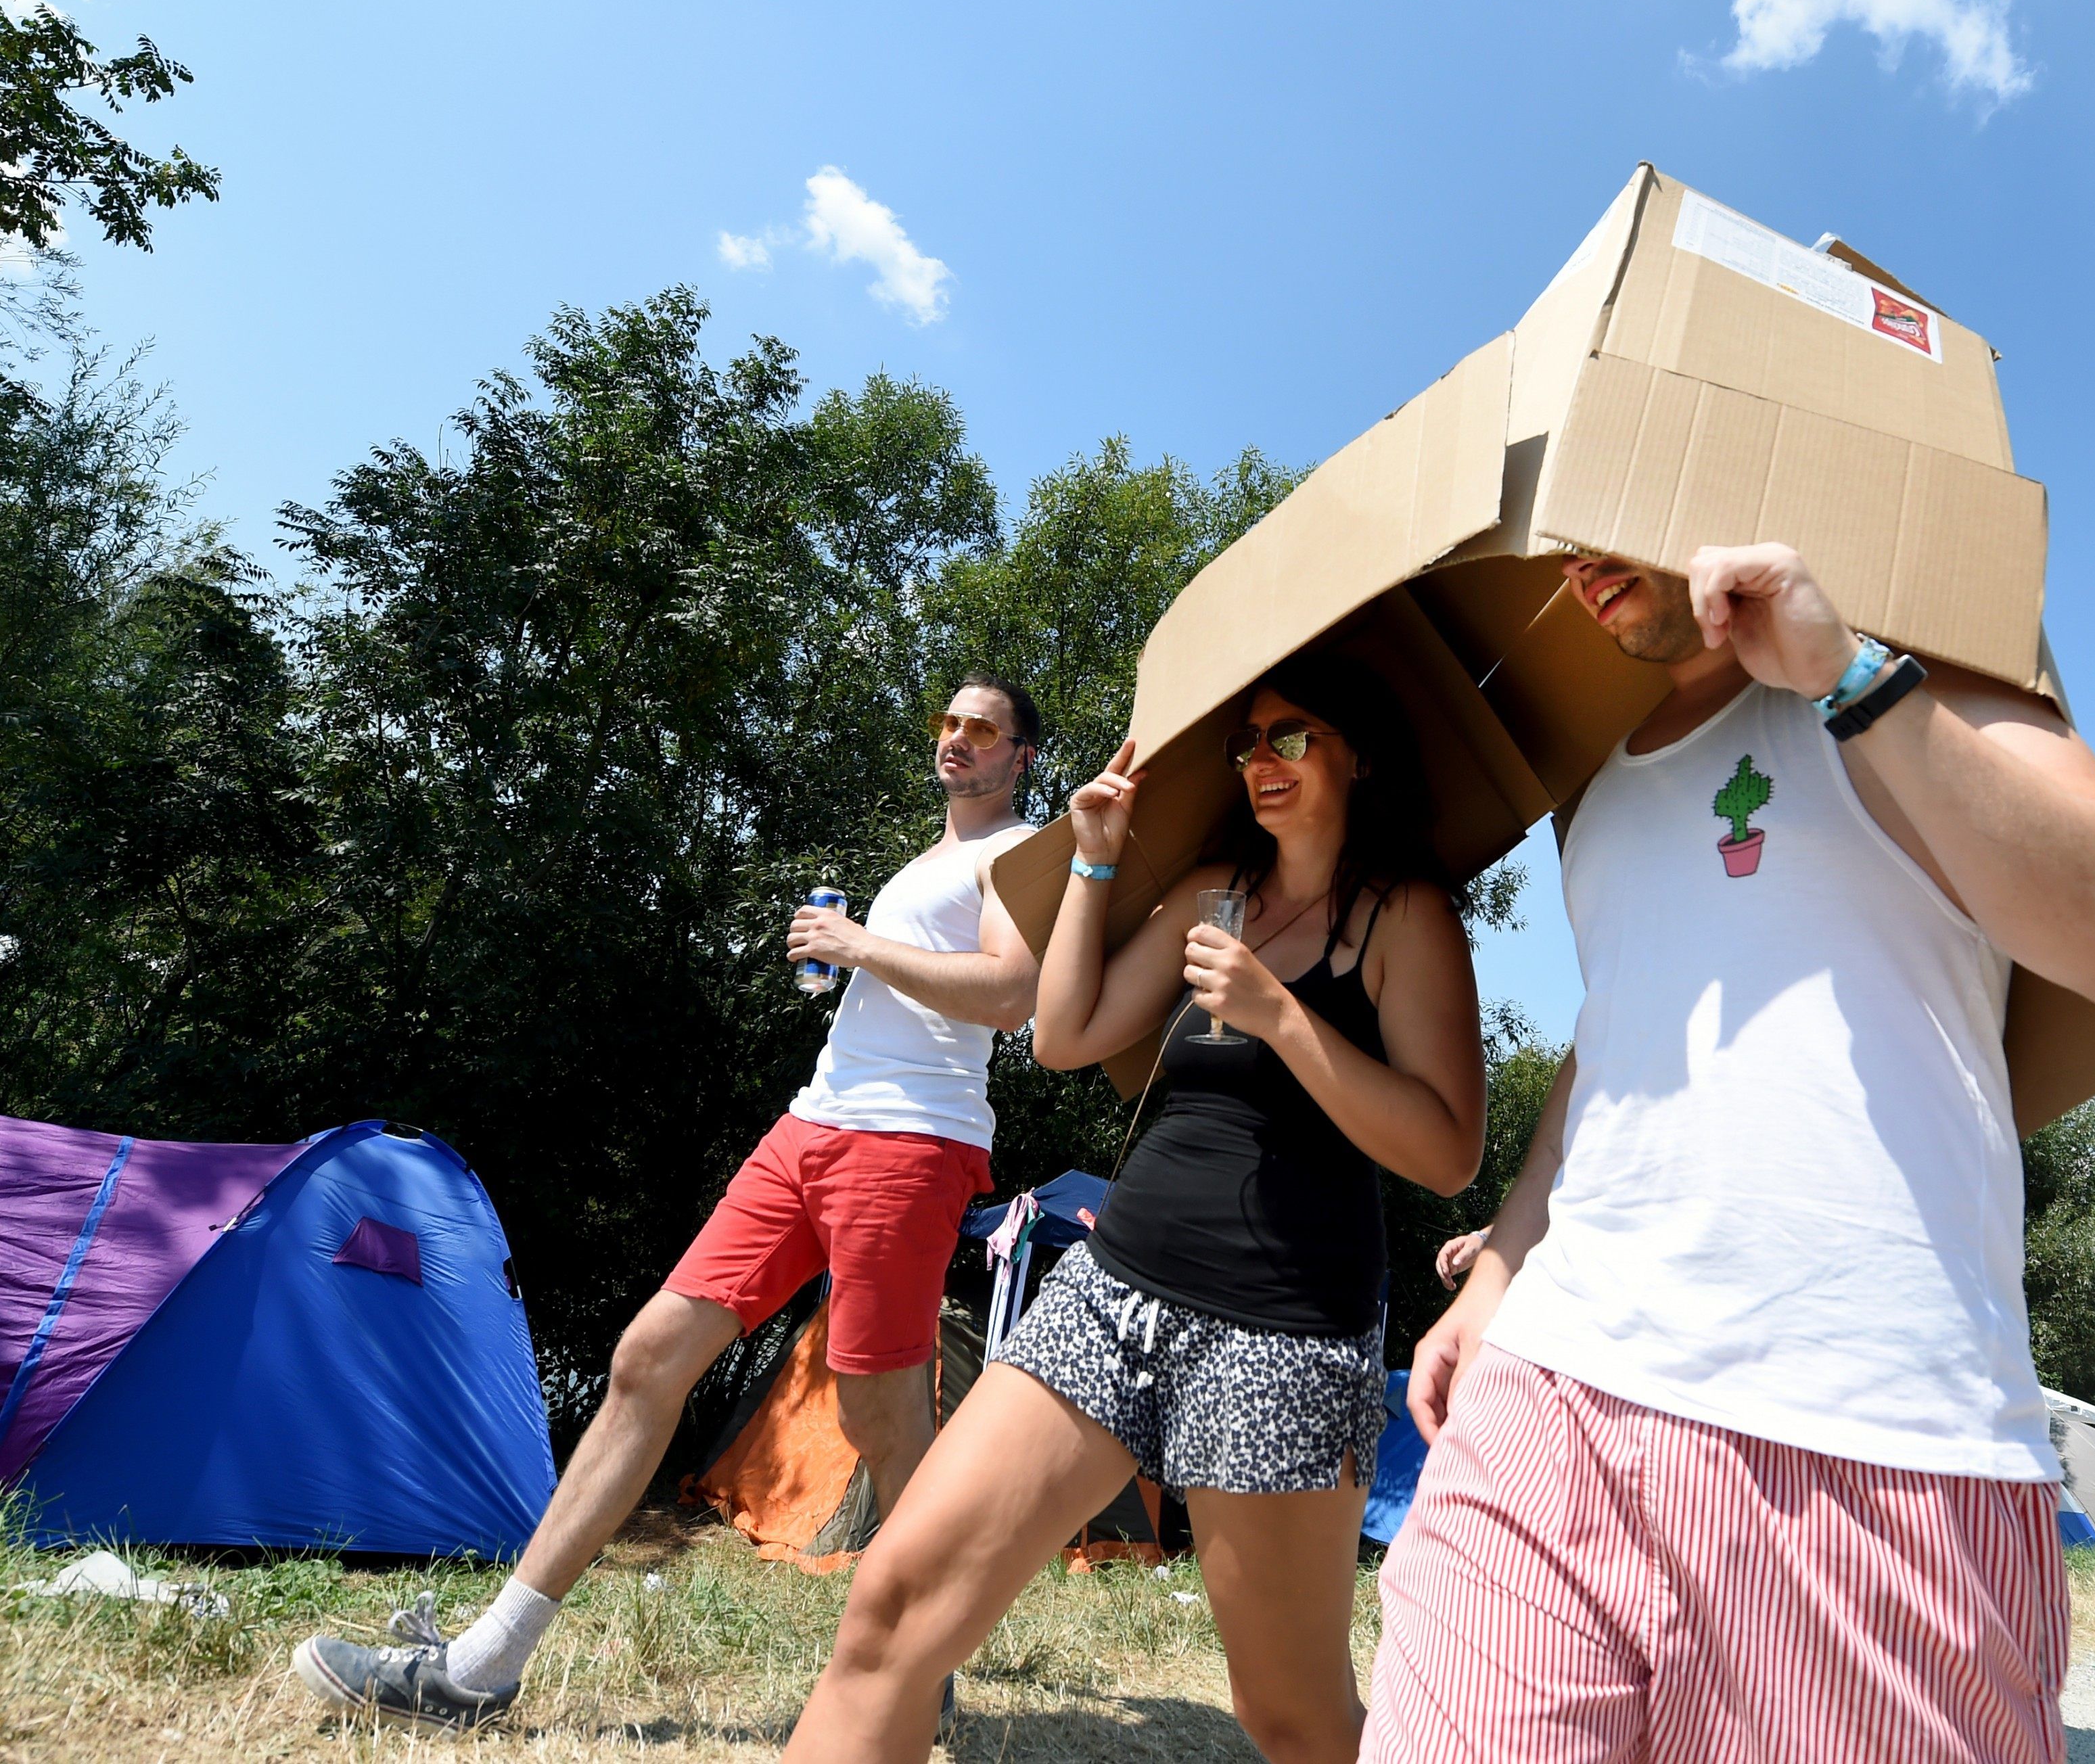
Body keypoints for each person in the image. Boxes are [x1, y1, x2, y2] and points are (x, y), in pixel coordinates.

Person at [1362, 542, 2095, 1764]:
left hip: (1877, 1451)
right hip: (1557, 1398)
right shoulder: (1590, 762)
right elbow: (1619, 1038)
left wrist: (1845, 672)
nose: (1579, 550)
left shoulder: (1922, 664)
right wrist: (1499, 1278)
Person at [293, 673, 1047, 1731]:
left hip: (911, 1144)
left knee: (882, 1419)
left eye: (984, 728)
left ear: (1021, 757)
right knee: (648, 1357)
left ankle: (919, 1665)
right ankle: (484, 1663)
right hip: (812, 1125)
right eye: (948, 722)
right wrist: (856, 964)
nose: (958, 738)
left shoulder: (1018, 852)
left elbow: (1013, 997)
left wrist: (856, 948)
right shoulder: (929, 858)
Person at [779, 653, 1488, 1764]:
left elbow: (1448, 1152)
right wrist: (1098, 868)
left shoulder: (1406, 917)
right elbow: (1063, 1037)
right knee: (893, 1612)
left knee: (1292, 1719)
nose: (1262, 760)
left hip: (1285, 1334)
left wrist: (1284, 1020)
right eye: (1247, 742)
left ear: (1353, 751)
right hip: (1114, 1291)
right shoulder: (1216, 886)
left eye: (1291, 737)